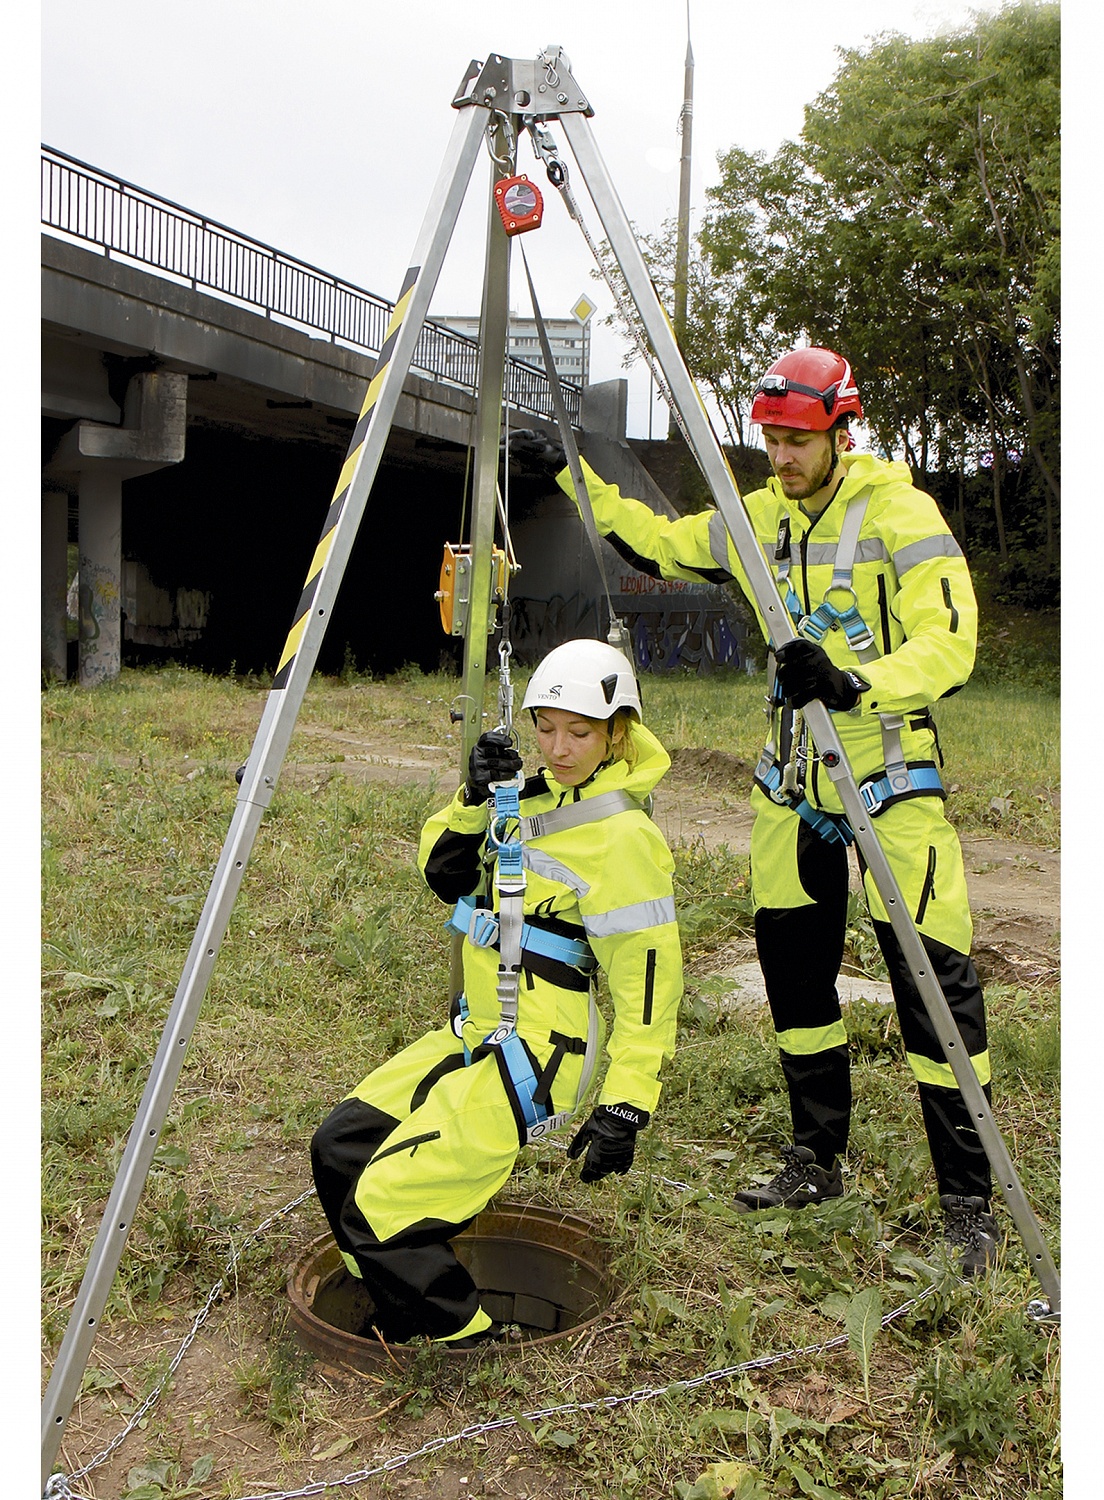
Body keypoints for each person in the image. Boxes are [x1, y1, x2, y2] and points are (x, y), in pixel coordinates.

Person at [505, 347, 1000, 1276]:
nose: (781, 456)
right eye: (770, 439)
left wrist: (855, 681)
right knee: (796, 982)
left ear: (841, 430)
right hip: (792, 788)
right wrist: (569, 473)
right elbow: (656, 541)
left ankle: (968, 1202)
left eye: (798, 440)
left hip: (893, 784)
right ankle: (817, 1158)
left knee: (934, 991)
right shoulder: (756, 518)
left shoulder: (901, 515)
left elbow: (952, 642)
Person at [310, 638, 683, 1346]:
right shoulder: (525, 799)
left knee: (385, 1207)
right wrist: (474, 800)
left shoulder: (623, 837)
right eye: (546, 727)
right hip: (478, 1028)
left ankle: (471, 1348)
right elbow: (444, 876)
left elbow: (649, 981)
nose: (558, 748)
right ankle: (393, 1302)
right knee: (340, 1150)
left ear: (617, 733)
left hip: (540, 1051)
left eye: (579, 733)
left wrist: (627, 1102)